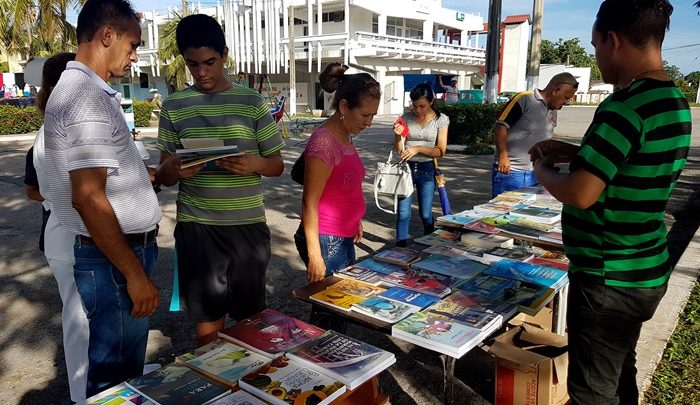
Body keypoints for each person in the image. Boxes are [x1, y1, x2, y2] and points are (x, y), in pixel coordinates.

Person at [529, 1, 691, 403]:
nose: (597, 57)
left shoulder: (624, 104)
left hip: (609, 277)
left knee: (592, 391)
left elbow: (582, 194)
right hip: (644, 268)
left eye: (595, 45)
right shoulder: (672, 101)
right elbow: (634, 163)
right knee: (621, 370)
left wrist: (544, 171)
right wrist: (573, 151)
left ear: (612, 40)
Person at [43, 0, 162, 397]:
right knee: (114, 379)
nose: (135, 55)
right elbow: (88, 197)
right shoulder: (85, 98)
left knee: (124, 371)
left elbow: (99, 179)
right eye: (133, 44)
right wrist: (134, 275)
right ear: (107, 35)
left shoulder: (87, 91)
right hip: (115, 260)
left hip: (116, 255)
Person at [155, 14, 285, 346]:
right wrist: (175, 169)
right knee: (207, 319)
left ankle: (251, 389)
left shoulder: (252, 102)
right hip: (197, 226)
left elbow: (277, 165)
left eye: (210, 62)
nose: (202, 72)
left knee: (250, 319)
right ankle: (216, 386)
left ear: (224, 55)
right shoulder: (174, 106)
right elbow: (164, 174)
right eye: (193, 64)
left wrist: (254, 163)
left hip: (246, 225)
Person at [23, 52, 90, 404]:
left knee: (87, 316)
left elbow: (35, 188)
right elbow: (84, 194)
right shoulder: (56, 131)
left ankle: (103, 386)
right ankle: (83, 395)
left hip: (63, 232)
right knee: (79, 319)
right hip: (71, 234)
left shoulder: (52, 127)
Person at [293, 62, 380, 282]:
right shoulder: (324, 141)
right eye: (364, 115)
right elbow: (309, 202)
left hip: (343, 234)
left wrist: (354, 219)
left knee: (339, 306)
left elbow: (343, 186)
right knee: (331, 309)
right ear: (343, 107)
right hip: (326, 238)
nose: (369, 122)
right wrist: (314, 255)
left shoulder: (344, 136)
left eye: (373, 115)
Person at [492, 73, 578, 197]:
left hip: (536, 173)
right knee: (501, 212)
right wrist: (503, 156)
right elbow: (501, 127)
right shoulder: (524, 99)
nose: (566, 102)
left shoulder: (553, 110)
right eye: (566, 97)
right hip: (511, 172)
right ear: (556, 90)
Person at [392, 83, 449, 247]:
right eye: (415, 106)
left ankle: (429, 245)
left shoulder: (441, 120)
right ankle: (400, 248)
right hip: (406, 169)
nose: (418, 110)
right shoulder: (405, 118)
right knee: (403, 214)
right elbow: (399, 148)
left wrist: (417, 149)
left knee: (425, 214)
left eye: (422, 106)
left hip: (427, 169)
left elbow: (441, 150)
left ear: (431, 101)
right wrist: (397, 136)